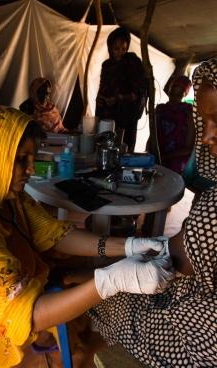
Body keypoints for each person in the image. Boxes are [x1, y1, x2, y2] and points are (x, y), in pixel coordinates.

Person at [0, 106, 174, 367]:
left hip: (4, 289)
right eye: (21, 159)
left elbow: (54, 234)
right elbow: (25, 314)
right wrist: (110, 282)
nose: (30, 169)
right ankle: (48, 356)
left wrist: (127, 246)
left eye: (32, 158)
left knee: (96, 280)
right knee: (101, 285)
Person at [87, 57, 217, 367]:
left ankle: (82, 348)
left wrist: (96, 280)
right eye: (206, 121)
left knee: (109, 303)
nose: (209, 135)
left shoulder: (212, 212)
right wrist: (127, 250)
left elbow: (174, 260)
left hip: (203, 337)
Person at [95, 27, 147, 152]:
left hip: (127, 117)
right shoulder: (107, 66)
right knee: (106, 147)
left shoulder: (132, 64)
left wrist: (119, 98)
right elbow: (103, 87)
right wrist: (99, 99)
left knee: (124, 148)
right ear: (110, 48)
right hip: (108, 115)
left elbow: (138, 92)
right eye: (116, 49)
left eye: (124, 49)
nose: (120, 52)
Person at [156, 75, 195, 174]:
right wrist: (151, 152)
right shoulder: (160, 109)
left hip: (177, 158)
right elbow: (153, 135)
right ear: (169, 89)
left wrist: (164, 157)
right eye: (173, 91)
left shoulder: (189, 112)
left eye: (179, 94)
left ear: (185, 95)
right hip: (157, 153)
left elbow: (188, 148)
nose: (174, 97)